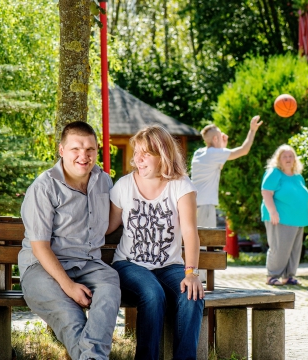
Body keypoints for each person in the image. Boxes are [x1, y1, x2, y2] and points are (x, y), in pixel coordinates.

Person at [18, 121, 121, 359]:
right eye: (75, 149)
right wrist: (69, 287)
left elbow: (113, 220)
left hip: (89, 264)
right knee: (72, 318)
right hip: (41, 268)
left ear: (97, 150)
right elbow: (40, 247)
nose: (83, 156)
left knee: (109, 287)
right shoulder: (44, 187)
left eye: (90, 150)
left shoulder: (104, 181)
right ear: (62, 150)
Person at [107, 125, 205, 360]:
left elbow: (190, 232)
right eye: (136, 152)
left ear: (163, 155)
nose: (137, 160)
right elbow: (108, 227)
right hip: (129, 265)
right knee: (152, 293)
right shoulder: (124, 185)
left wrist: (190, 272)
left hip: (169, 266)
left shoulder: (181, 185)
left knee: (192, 295)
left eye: (146, 154)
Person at [191, 115, 263, 227]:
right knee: (204, 242)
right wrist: (252, 130)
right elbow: (244, 150)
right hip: (205, 205)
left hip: (193, 204)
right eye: (220, 136)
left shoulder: (199, 153)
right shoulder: (214, 153)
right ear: (215, 139)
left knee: (195, 242)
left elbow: (219, 166)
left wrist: (222, 147)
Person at [261, 145, 308, 286]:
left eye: (291, 156)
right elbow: (266, 192)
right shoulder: (274, 173)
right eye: (284, 156)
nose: (288, 159)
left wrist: (307, 211)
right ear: (278, 159)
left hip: (297, 218)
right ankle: (272, 276)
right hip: (280, 217)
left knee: (294, 249)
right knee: (279, 248)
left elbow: (300, 195)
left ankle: (288, 276)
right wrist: (272, 211)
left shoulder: (298, 176)